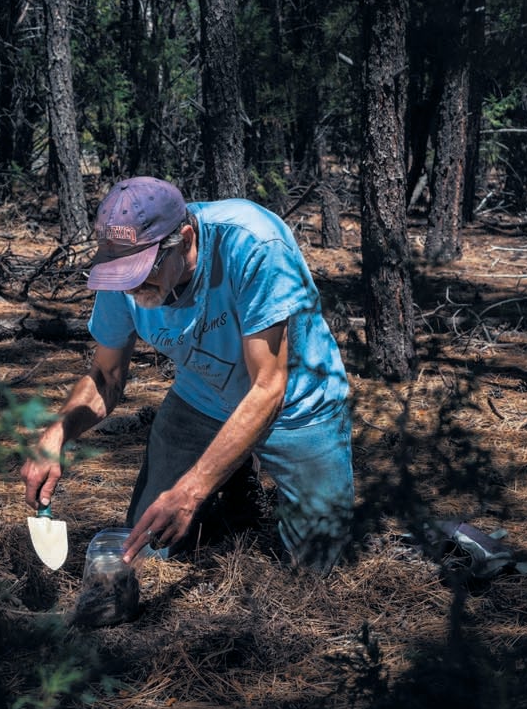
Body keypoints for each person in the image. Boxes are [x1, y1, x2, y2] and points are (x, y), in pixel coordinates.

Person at [20, 176, 353, 572]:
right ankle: (232, 483)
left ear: (186, 238)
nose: (132, 287)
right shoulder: (121, 274)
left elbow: (269, 389)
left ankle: (230, 478)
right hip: (204, 396)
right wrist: (57, 433)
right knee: (144, 550)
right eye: (123, 275)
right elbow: (106, 377)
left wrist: (191, 492)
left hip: (298, 405)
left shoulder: (254, 245)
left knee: (317, 568)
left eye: (143, 271)